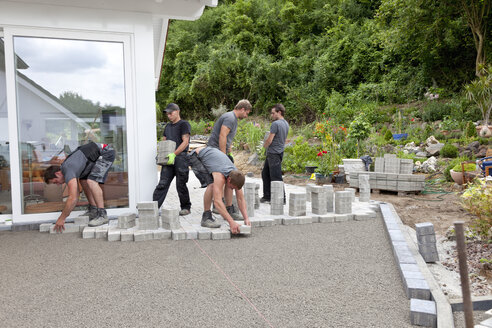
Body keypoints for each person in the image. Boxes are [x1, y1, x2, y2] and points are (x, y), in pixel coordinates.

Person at [44, 141, 116, 232]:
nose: (58, 184)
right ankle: (93, 210)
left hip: (105, 153)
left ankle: (102, 214)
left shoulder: (68, 169)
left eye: (55, 182)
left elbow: (73, 198)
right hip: (93, 157)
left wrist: (62, 218)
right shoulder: (68, 168)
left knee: (92, 181)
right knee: (83, 180)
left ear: (58, 174)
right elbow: (76, 194)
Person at [189, 146, 250, 234]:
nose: (233, 190)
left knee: (229, 186)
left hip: (213, 157)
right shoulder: (219, 176)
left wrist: (246, 218)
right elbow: (217, 202)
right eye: (233, 188)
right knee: (212, 184)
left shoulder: (236, 175)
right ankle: (206, 216)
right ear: (229, 179)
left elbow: (240, 198)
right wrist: (231, 222)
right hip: (196, 156)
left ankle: (229, 210)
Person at [207, 99, 252, 217]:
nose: (246, 116)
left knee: (229, 179)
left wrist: (229, 150)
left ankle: (225, 207)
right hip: (216, 152)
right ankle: (224, 207)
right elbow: (222, 135)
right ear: (242, 109)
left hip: (221, 152)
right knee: (226, 178)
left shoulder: (232, 118)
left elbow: (227, 137)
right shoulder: (230, 118)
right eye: (247, 113)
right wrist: (223, 155)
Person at [152, 103, 192, 215]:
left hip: (181, 158)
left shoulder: (184, 124)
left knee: (181, 184)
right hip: (168, 159)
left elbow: (185, 142)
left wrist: (174, 154)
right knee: (162, 184)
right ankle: (153, 208)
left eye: (171, 113)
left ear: (177, 111)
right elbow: (164, 141)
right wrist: (161, 154)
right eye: (167, 114)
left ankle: (186, 207)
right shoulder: (168, 127)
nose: (169, 115)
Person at [261, 103, 289, 203]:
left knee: (276, 177)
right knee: (265, 174)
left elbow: (270, 140)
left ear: (279, 112)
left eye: (273, 113)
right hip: (279, 152)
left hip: (274, 154)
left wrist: (264, 146)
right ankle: (267, 196)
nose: (271, 115)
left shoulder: (275, 124)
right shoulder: (286, 123)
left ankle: (282, 199)